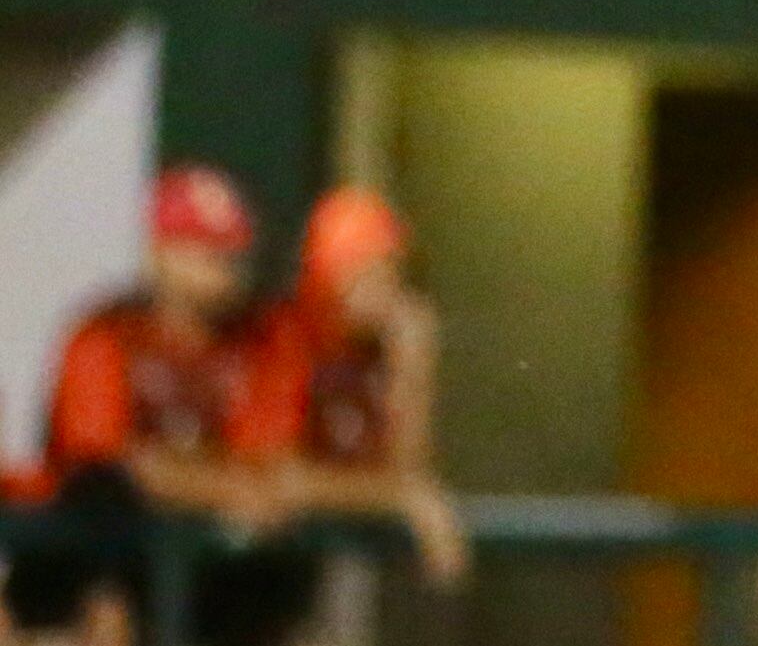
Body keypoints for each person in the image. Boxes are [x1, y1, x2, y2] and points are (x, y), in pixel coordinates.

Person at [8, 166, 300, 646]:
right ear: (160, 252)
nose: (224, 265)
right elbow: (101, 461)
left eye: (230, 252)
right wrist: (218, 488)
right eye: (205, 250)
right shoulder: (106, 333)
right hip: (90, 573)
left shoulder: (259, 341)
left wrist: (225, 484)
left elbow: (267, 456)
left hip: (211, 587)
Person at [242, 189, 466, 591]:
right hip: (238, 575)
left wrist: (412, 368)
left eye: (389, 268)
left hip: (325, 574)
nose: (386, 284)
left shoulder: (385, 347)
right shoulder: (285, 338)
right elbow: (275, 481)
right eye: (365, 268)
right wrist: (401, 497)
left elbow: (407, 469)